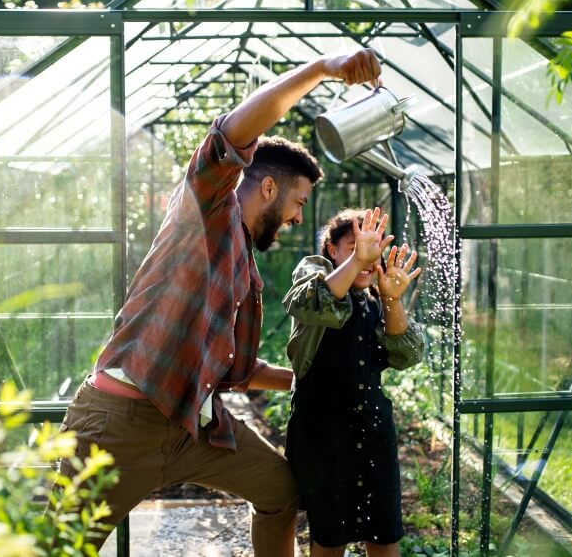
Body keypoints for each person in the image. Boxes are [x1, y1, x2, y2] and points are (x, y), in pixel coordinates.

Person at [57, 50, 383, 554]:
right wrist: (322, 69)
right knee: (59, 544)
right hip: (122, 422)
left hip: (194, 425)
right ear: (268, 186)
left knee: (281, 492)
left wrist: (321, 378)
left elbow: (234, 369)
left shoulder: (243, 265)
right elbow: (230, 135)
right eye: (297, 203)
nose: (299, 219)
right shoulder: (207, 209)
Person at [282, 208, 425, 557]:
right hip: (323, 434)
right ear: (332, 250)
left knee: (384, 535)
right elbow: (312, 304)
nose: (366, 259)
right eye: (355, 247)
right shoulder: (315, 273)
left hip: (373, 432)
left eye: (373, 250)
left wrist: (392, 298)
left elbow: (407, 355)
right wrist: (357, 263)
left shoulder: (378, 296)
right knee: (331, 537)